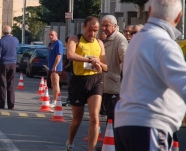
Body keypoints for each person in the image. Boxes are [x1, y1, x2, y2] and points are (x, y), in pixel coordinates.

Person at [114, 0, 186, 151]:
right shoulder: (163, 43)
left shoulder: (137, 40)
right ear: (178, 17)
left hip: (125, 123)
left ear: (149, 11)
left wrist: (185, 112)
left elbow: (153, 85)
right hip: (150, 126)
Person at [65, 16, 107, 151]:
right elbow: (70, 55)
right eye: (90, 30)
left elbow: (106, 67)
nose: (92, 34)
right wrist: (89, 60)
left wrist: (98, 63)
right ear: (84, 27)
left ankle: (91, 149)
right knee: (77, 119)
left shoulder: (100, 43)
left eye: (95, 31)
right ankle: (70, 142)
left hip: (95, 80)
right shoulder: (75, 39)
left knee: (95, 117)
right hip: (78, 81)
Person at [100, 15, 128, 123]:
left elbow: (126, 60)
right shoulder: (104, 39)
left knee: (113, 117)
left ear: (115, 26)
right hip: (104, 84)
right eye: (102, 26)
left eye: (106, 26)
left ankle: (113, 139)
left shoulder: (120, 39)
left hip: (114, 85)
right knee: (108, 115)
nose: (103, 28)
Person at [0, 25, 19, 109]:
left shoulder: (0, 42)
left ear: (2, 32)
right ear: (10, 32)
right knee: (11, 84)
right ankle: (11, 104)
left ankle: (1, 104)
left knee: (1, 84)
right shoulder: (15, 40)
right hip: (13, 64)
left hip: (3, 64)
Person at [47, 30, 64, 109]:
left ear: (56, 35)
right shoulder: (52, 44)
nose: (50, 36)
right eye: (49, 35)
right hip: (51, 67)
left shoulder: (58, 43)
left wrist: (55, 66)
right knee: (52, 84)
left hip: (56, 68)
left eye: (52, 35)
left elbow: (59, 56)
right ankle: (54, 100)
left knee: (55, 84)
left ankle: (56, 101)